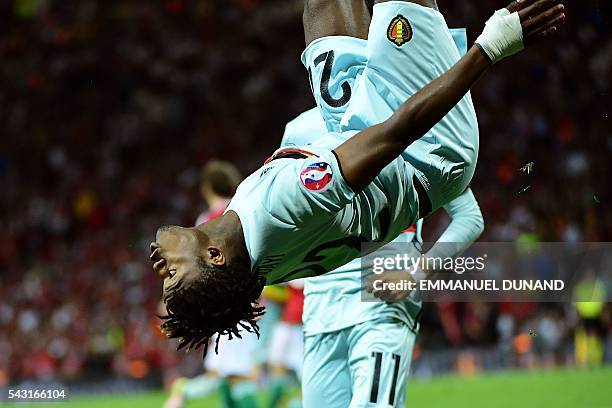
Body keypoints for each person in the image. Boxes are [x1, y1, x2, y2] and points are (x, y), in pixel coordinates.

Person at [150, 0, 566, 355]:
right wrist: (491, 46)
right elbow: (396, 132)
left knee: (321, 7)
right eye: (172, 274)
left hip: (350, 130)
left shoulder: (247, 266)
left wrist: (184, 276)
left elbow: (216, 282)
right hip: (426, 152)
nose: (162, 267)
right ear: (216, 256)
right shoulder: (284, 205)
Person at [281, 26, 483, 406]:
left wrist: (418, 272)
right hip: (322, 312)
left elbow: (469, 216)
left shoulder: (403, 123)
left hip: (382, 305)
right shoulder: (298, 131)